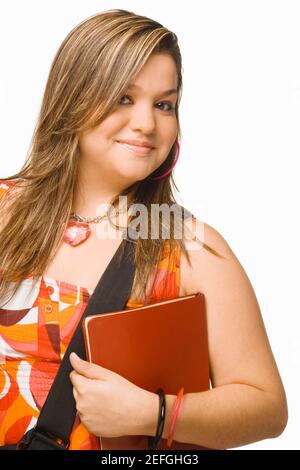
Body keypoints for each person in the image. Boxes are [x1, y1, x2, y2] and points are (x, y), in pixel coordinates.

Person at [0, 9, 288, 450]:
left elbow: (267, 408)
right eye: (122, 97)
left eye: (163, 104)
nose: (146, 124)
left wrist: (152, 413)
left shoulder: (191, 247)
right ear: (72, 98)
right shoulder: (4, 208)